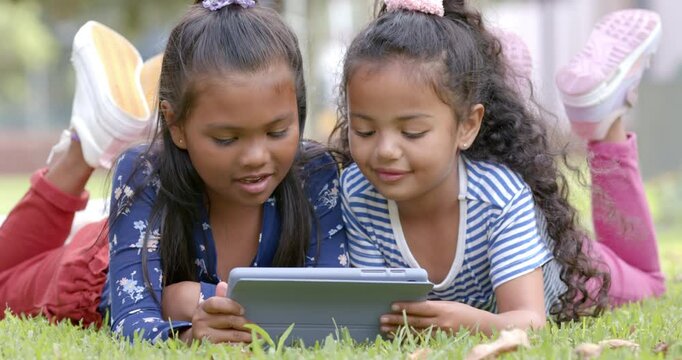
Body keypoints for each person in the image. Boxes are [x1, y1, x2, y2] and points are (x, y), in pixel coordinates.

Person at [1, 0, 348, 344]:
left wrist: (189, 296)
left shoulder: (313, 173)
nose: (257, 156)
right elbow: (132, 318)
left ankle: (103, 129)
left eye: (277, 132)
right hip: (98, 270)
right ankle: (81, 148)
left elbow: (335, 298)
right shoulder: (145, 173)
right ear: (175, 124)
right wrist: (187, 333)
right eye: (227, 138)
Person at [332, 0, 664, 336]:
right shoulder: (357, 193)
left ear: (467, 126)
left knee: (650, 283)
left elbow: (529, 320)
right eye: (364, 130)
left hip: (560, 267)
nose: (385, 151)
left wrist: (468, 323)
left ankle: (604, 125)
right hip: (502, 230)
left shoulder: (501, 198)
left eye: (412, 132)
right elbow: (380, 315)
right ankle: (505, 77)